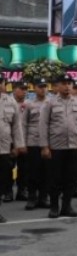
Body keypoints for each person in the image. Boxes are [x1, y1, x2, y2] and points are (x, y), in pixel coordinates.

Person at [39, 74, 77, 219]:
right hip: (56, 147)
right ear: (57, 86)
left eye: (69, 84)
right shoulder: (50, 103)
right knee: (54, 178)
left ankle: (67, 206)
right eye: (64, 83)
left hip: (73, 146)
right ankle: (54, 207)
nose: (67, 86)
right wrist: (44, 146)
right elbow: (43, 125)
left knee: (71, 178)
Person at [22, 77, 51, 210]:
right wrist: (23, 142)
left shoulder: (52, 102)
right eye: (40, 86)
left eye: (45, 86)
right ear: (34, 88)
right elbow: (24, 124)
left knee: (46, 171)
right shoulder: (28, 104)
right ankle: (32, 197)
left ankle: (43, 198)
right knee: (33, 172)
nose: (43, 89)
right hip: (32, 142)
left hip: (48, 142)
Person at [0, 74, 25, 223]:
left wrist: (18, 145)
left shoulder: (10, 102)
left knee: (2, 180)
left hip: (4, 148)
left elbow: (16, 126)